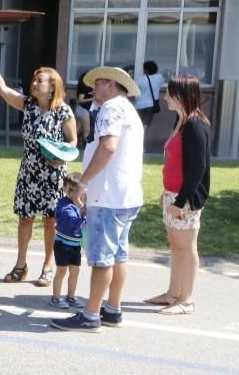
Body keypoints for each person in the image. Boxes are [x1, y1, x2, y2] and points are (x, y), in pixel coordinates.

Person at [51, 66, 144, 332]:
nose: (93, 90)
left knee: (102, 257)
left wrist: (83, 182)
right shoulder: (128, 110)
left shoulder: (111, 109)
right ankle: (112, 309)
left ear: (112, 85)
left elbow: (108, 147)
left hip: (107, 195)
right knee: (119, 255)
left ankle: (90, 314)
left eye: (98, 84)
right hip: (125, 194)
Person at [0, 46, 76, 288]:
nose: (34, 83)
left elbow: (73, 142)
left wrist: (61, 157)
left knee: (50, 221)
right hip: (29, 173)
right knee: (25, 219)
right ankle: (20, 265)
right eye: (34, 79)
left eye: (40, 80)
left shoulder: (63, 111)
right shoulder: (28, 106)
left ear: (52, 87)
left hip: (53, 175)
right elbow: (2, 90)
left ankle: (47, 266)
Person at [144, 75, 212, 315]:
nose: (165, 97)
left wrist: (181, 201)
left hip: (186, 198)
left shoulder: (194, 124)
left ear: (182, 95)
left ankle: (187, 300)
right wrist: (168, 194)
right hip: (173, 193)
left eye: (170, 93)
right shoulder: (181, 120)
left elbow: (198, 168)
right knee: (175, 246)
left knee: (187, 246)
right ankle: (173, 293)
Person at [50, 173, 86, 309]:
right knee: (61, 270)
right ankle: (56, 297)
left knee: (75, 271)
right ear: (70, 191)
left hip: (75, 245)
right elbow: (71, 222)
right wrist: (82, 213)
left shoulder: (81, 205)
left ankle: (71, 296)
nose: (83, 196)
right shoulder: (65, 205)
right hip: (62, 244)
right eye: (80, 193)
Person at [133, 60, 164, 129]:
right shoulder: (159, 77)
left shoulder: (140, 79)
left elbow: (134, 90)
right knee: (145, 125)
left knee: (136, 124)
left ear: (145, 70)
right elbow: (162, 82)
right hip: (151, 105)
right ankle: (142, 138)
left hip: (139, 105)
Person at [74, 72, 94, 148]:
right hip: (83, 110)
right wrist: (92, 98)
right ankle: (88, 148)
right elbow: (80, 100)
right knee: (86, 131)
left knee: (76, 130)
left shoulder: (88, 87)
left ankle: (69, 146)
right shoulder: (83, 87)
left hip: (80, 109)